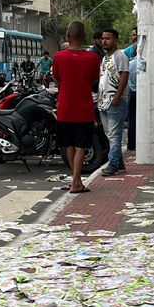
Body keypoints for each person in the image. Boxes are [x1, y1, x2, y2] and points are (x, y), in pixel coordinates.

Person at [51, 21, 98, 194]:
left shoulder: (58, 57)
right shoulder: (92, 58)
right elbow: (93, 78)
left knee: (68, 145)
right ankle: (76, 182)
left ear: (68, 35)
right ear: (83, 35)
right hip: (84, 107)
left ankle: (75, 181)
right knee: (81, 146)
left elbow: (57, 78)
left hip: (65, 107)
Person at [97, 29, 130, 176]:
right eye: (103, 38)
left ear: (115, 40)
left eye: (108, 38)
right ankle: (119, 163)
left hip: (116, 102)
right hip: (103, 101)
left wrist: (117, 96)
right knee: (110, 134)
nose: (104, 41)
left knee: (115, 135)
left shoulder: (120, 56)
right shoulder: (105, 59)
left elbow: (124, 75)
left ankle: (113, 164)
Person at [123, 28, 138, 151]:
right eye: (133, 35)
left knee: (133, 119)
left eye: (136, 35)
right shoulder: (128, 53)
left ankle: (132, 143)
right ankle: (132, 143)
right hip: (132, 91)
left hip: (133, 92)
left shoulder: (132, 63)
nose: (134, 37)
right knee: (133, 119)